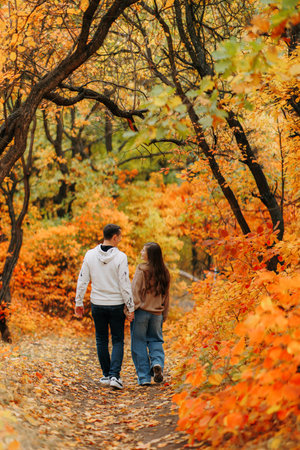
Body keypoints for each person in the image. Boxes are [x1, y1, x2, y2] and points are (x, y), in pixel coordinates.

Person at [75, 224, 134, 390]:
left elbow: (82, 280)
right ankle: (114, 376)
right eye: (120, 237)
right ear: (114, 237)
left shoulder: (90, 255)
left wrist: (78, 302)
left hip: (97, 304)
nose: (120, 240)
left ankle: (107, 375)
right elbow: (124, 284)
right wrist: (130, 306)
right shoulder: (121, 257)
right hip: (116, 304)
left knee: (101, 339)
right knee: (117, 340)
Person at [130, 242, 170, 386]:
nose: (141, 252)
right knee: (156, 341)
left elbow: (135, 291)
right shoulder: (165, 272)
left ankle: (144, 378)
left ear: (150, 255)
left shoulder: (142, 269)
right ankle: (157, 363)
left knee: (139, 343)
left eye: (143, 250)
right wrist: (164, 314)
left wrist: (130, 309)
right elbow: (166, 296)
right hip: (157, 313)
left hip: (141, 312)